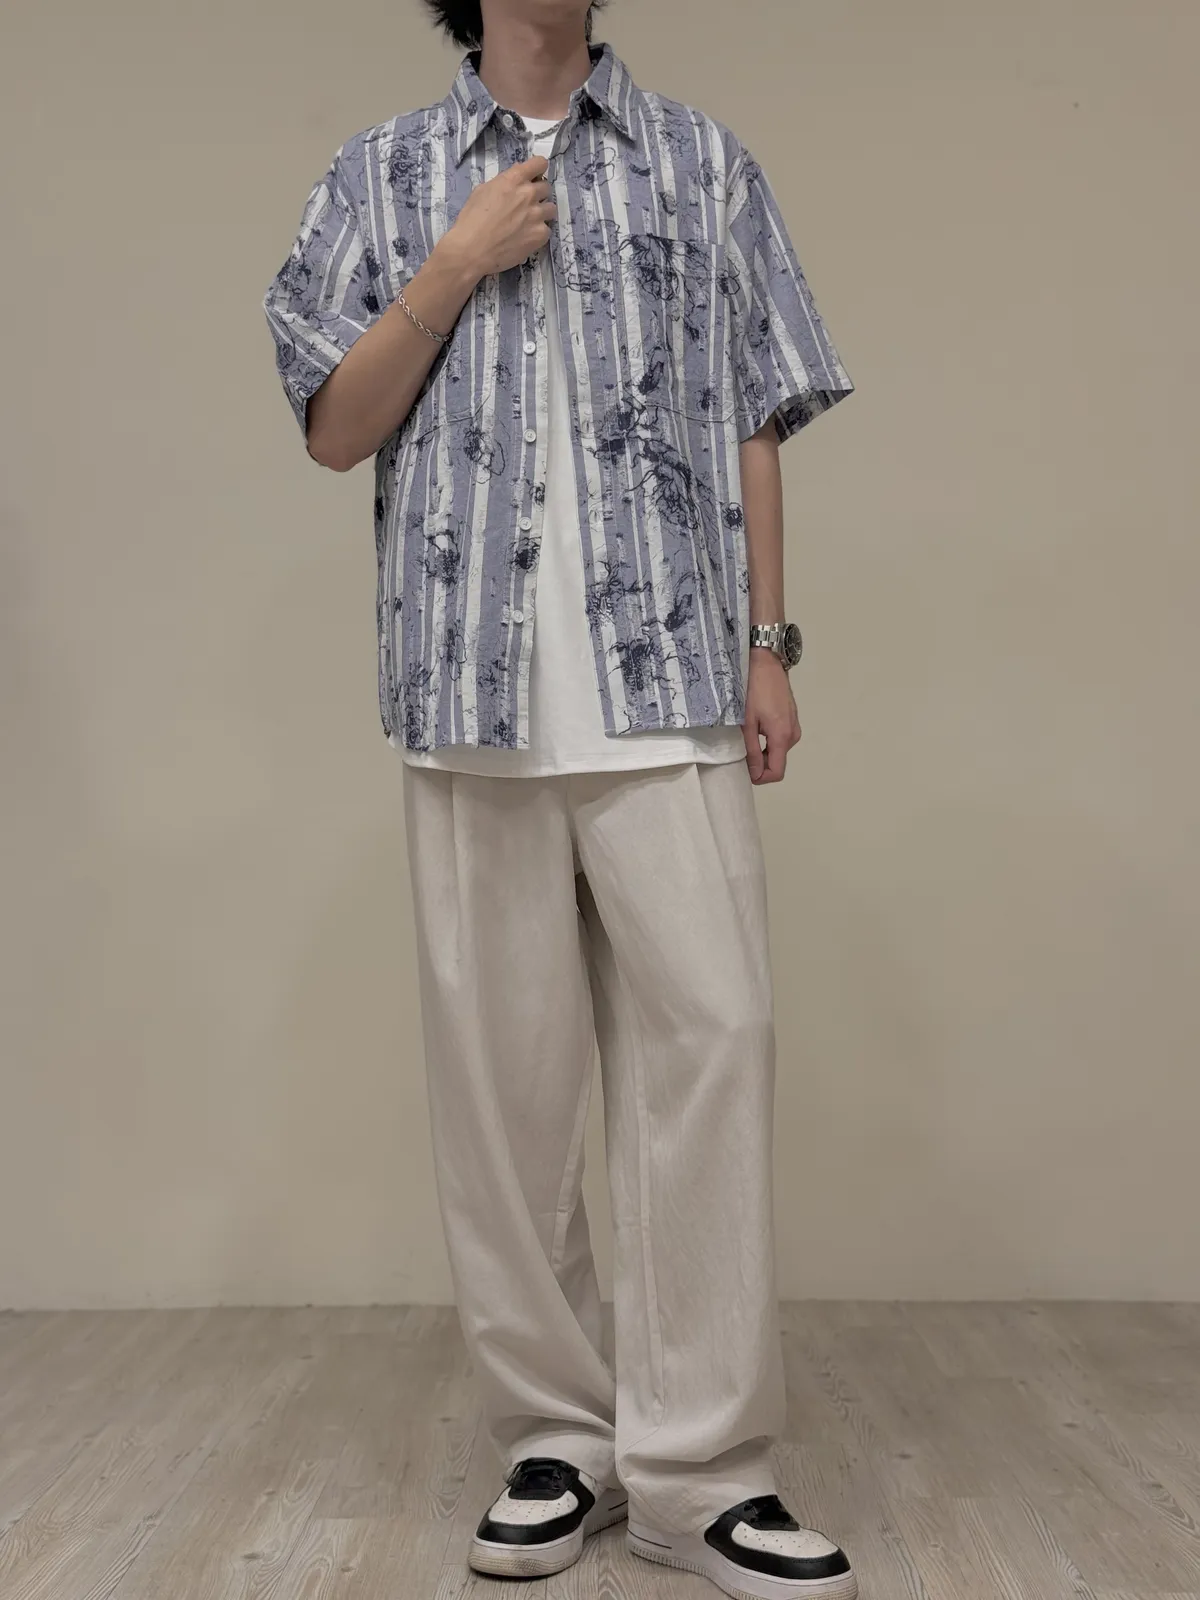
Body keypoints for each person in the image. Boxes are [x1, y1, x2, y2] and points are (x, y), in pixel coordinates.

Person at [263, 2, 856, 1595]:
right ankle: (556, 1438)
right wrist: (455, 265)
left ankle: (703, 1472)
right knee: (504, 1098)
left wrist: (770, 645)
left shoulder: (702, 164)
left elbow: (753, 416)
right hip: (470, 693)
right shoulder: (380, 177)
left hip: (669, 682)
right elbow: (333, 429)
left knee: (717, 1042)